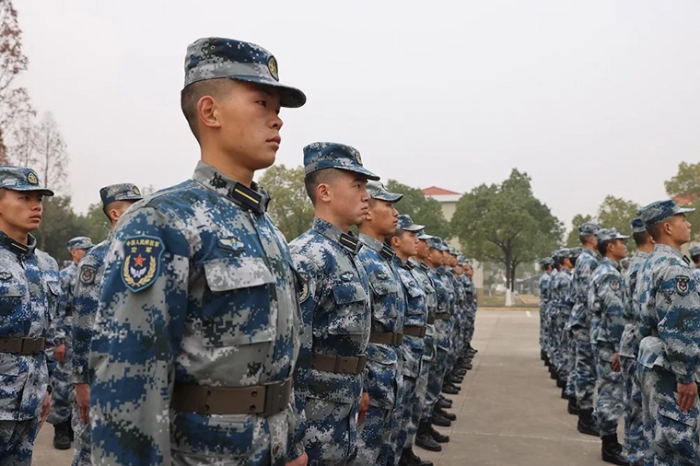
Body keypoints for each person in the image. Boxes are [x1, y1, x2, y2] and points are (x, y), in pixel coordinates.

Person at [88, 37, 308, 466]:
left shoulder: (266, 229)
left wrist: (293, 443)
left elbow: (280, 359)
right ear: (210, 111)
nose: (276, 121)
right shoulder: (161, 221)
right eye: (262, 103)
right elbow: (129, 381)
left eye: (278, 110)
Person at [290, 142, 377, 466]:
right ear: (324, 192)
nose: (366, 194)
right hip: (314, 422)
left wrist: (362, 388)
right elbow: (294, 354)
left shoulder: (347, 256)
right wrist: (292, 440)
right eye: (357, 185)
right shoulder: (306, 256)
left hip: (345, 410)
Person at [71, 184, 143, 466]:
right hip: (101, 377)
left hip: (138, 377)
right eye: (132, 205)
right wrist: (81, 381)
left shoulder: (146, 253)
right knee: (92, 453)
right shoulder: (97, 259)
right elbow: (84, 324)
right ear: (114, 213)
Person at [0, 166, 60, 465]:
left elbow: (46, 334)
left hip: (30, 398)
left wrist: (46, 388)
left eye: (38, 198)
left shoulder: (47, 264)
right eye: (24, 197)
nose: (36, 205)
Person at [636, 200, 700, 465]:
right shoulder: (674, 268)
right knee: (679, 450)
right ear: (667, 227)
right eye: (682, 219)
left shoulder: (650, 262)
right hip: (671, 370)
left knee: (658, 444)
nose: (688, 224)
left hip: (653, 359)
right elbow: (679, 325)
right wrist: (686, 376)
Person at [351, 180, 405, 466]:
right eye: (388, 204)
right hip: (371, 378)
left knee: (384, 452)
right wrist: (361, 387)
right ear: (368, 212)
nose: (395, 212)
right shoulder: (361, 258)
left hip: (389, 372)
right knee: (364, 455)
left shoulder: (385, 261)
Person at [387, 214, 432, 466]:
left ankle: (405, 452)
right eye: (411, 235)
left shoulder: (408, 271)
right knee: (394, 417)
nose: (417, 240)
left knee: (407, 410)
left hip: (415, 350)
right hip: (401, 353)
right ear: (395, 240)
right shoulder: (389, 268)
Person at [48, 236, 93, 451]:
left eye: (88, 249)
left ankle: (77, 426)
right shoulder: (65, 276)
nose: (87, 252)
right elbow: (56, 309)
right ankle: (61, 428)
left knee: (84, 383)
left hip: (87, 336)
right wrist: (57, 341)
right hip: (67, 335)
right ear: (73, 252)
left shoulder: (94, 271)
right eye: (83, 249)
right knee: (64, 384)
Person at [588, 228, 629, 466]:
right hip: (609, 343)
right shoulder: (609, 275)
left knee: (607, 390)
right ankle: (609, 445)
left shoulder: (606, 270)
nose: (624, 245)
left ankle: (609, 440)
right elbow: (614, 314)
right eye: (620, 242)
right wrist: (618, 348)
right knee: (610, 394)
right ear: (610, 247)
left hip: (603, 340)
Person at [619, 218, 654, 466]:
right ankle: (636, 457)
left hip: (631, 341)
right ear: (652, 237)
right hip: (640, 343)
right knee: (641, 410)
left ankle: (632, 454)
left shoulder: (634, 265)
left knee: (634, 407)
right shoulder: (645, 267)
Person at [411, 231, 449, 453]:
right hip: (412, 343)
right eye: (415, 237)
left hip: (430, 334)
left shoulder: (423, 273)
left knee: (426, 387)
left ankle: (425, 423)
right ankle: (421, 430)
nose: (421, 244)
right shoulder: (412, 271)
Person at [567, 222, 601, 436]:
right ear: (591, 239)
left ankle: (583, 410)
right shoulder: (588, 261)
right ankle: (585, 416)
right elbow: (590, 296)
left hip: (581, 318)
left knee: (584, 367)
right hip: (586, 320)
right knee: (586, 369)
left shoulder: (584, 259)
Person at [539, 258, 553, 362]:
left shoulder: (545, 277)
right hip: (546, 304)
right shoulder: (546, 278)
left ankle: (545, 349)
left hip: (545, 304)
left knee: (545, 328)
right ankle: (545, 350)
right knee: (546, 328)